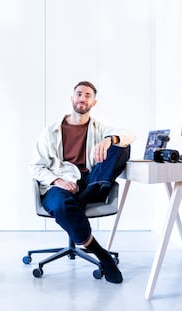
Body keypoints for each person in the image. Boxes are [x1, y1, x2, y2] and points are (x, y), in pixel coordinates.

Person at [29, 81, 136, 283]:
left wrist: (109, 140)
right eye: (79, 94)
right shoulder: (49, 132)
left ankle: (83, 197)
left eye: (88, 95)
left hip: (89, 181)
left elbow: (130, 135)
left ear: (93, 102)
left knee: (122, 147)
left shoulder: (98, 128)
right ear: (72, 98)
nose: (82, 98)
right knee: (61, 204)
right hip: (59, 184)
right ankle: (101, 254)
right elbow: (35, 167)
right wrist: (57, 180)